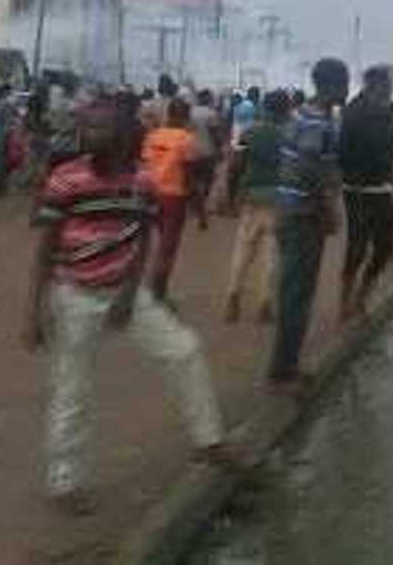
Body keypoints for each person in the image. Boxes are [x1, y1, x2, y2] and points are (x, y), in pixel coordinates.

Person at [24, 97, 237, 516]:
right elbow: (45, 249)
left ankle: (210, 442)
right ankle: (64, 482)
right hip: (76, 295)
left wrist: (127, 295)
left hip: (124, 291)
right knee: (73, 387)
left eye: (100, 128)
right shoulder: (67, 180)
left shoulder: (142, 181)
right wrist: (33, 312)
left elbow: (141, 235)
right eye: (86, 128)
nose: (89, 136)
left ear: (122, 136)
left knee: (186, 351)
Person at [269, 59, 349, 393]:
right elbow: (310, 170)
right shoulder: (318, 122)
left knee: (294, 290)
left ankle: (284, 364)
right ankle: (284, 371)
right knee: (297, 293)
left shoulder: (299, 114)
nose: (347, 90)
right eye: (344, 83)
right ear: (331, 85)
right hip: (304, 215)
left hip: (289, 209)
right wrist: (329, 210)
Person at [339, 67, 393, 324]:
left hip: (382, 189)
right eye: (388, 84)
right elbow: (342, 153)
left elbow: (388, 156)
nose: (391, 88)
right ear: (374, 85)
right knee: (357, 247)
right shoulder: (354, 112)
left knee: (386, 248)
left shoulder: (390, 112)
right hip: (356, 190)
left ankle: (363, 294)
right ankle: (345, 300)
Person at [224, 90, 289, 324]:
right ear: (285, 110)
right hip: (279, 200)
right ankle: (265, 305)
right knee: (272, 255)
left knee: (243, 250)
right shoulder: (290, 135)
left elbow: (236, 166)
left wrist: (233, 197)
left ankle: (233, 297)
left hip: (251, 197)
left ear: (265, 108)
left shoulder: (250, 132)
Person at [141, 98, 199, 300]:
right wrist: (197, 204)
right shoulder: (186, 139)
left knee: (148, 241)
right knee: (168, 245)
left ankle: (148, 285)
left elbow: (145, 164)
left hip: (150, 193)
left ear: (169, 114)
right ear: (185, 117)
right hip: (174, 196)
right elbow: (190, 172)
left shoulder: (153, 136)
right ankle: (159, 290)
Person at [189, 89, 221, 230]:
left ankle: (197, 205)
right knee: (208, 180)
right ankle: (201, 204)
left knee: (194, 181)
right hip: (207, 153)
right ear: (207, 99)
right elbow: (215, 134)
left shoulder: (190, 112)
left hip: (191, 152)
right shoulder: (211, 113)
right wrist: (219, 149)